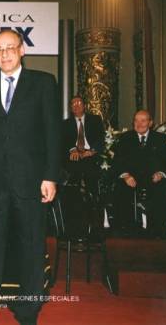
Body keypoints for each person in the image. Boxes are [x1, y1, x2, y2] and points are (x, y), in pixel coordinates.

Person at [0, 29, 60, 325]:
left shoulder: (43, 83)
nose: (5, 54)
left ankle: (28, 308)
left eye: (11, 48)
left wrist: (50, 176)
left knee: (31, 246)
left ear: (22, 50)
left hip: (32, 181)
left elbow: (52, 134)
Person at [112, 110, 166, 236]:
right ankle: (125, 230)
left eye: (143, 120)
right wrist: (125, 175)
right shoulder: (125, 138)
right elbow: (117, 163)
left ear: (150, 123)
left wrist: (161, 173)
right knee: (120, 189)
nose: (139, 124)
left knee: (162, 188)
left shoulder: (160, 139)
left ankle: (159, 230)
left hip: (153, 179)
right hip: (130, 179)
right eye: (136, 120)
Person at [61, 95, 105, 233]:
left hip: (89, 155)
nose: (76, 105)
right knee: (72, 174)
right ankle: (75, 214)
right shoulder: (65, 124)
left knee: (89, 173)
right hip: (73, 156)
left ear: (84, 105)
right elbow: (63, 141)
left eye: (79, 102)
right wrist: (72, 149)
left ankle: (92, 216)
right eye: (73, 104)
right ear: (70, 108)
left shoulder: (95, 120)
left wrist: (92, 151)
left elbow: (100, 139)